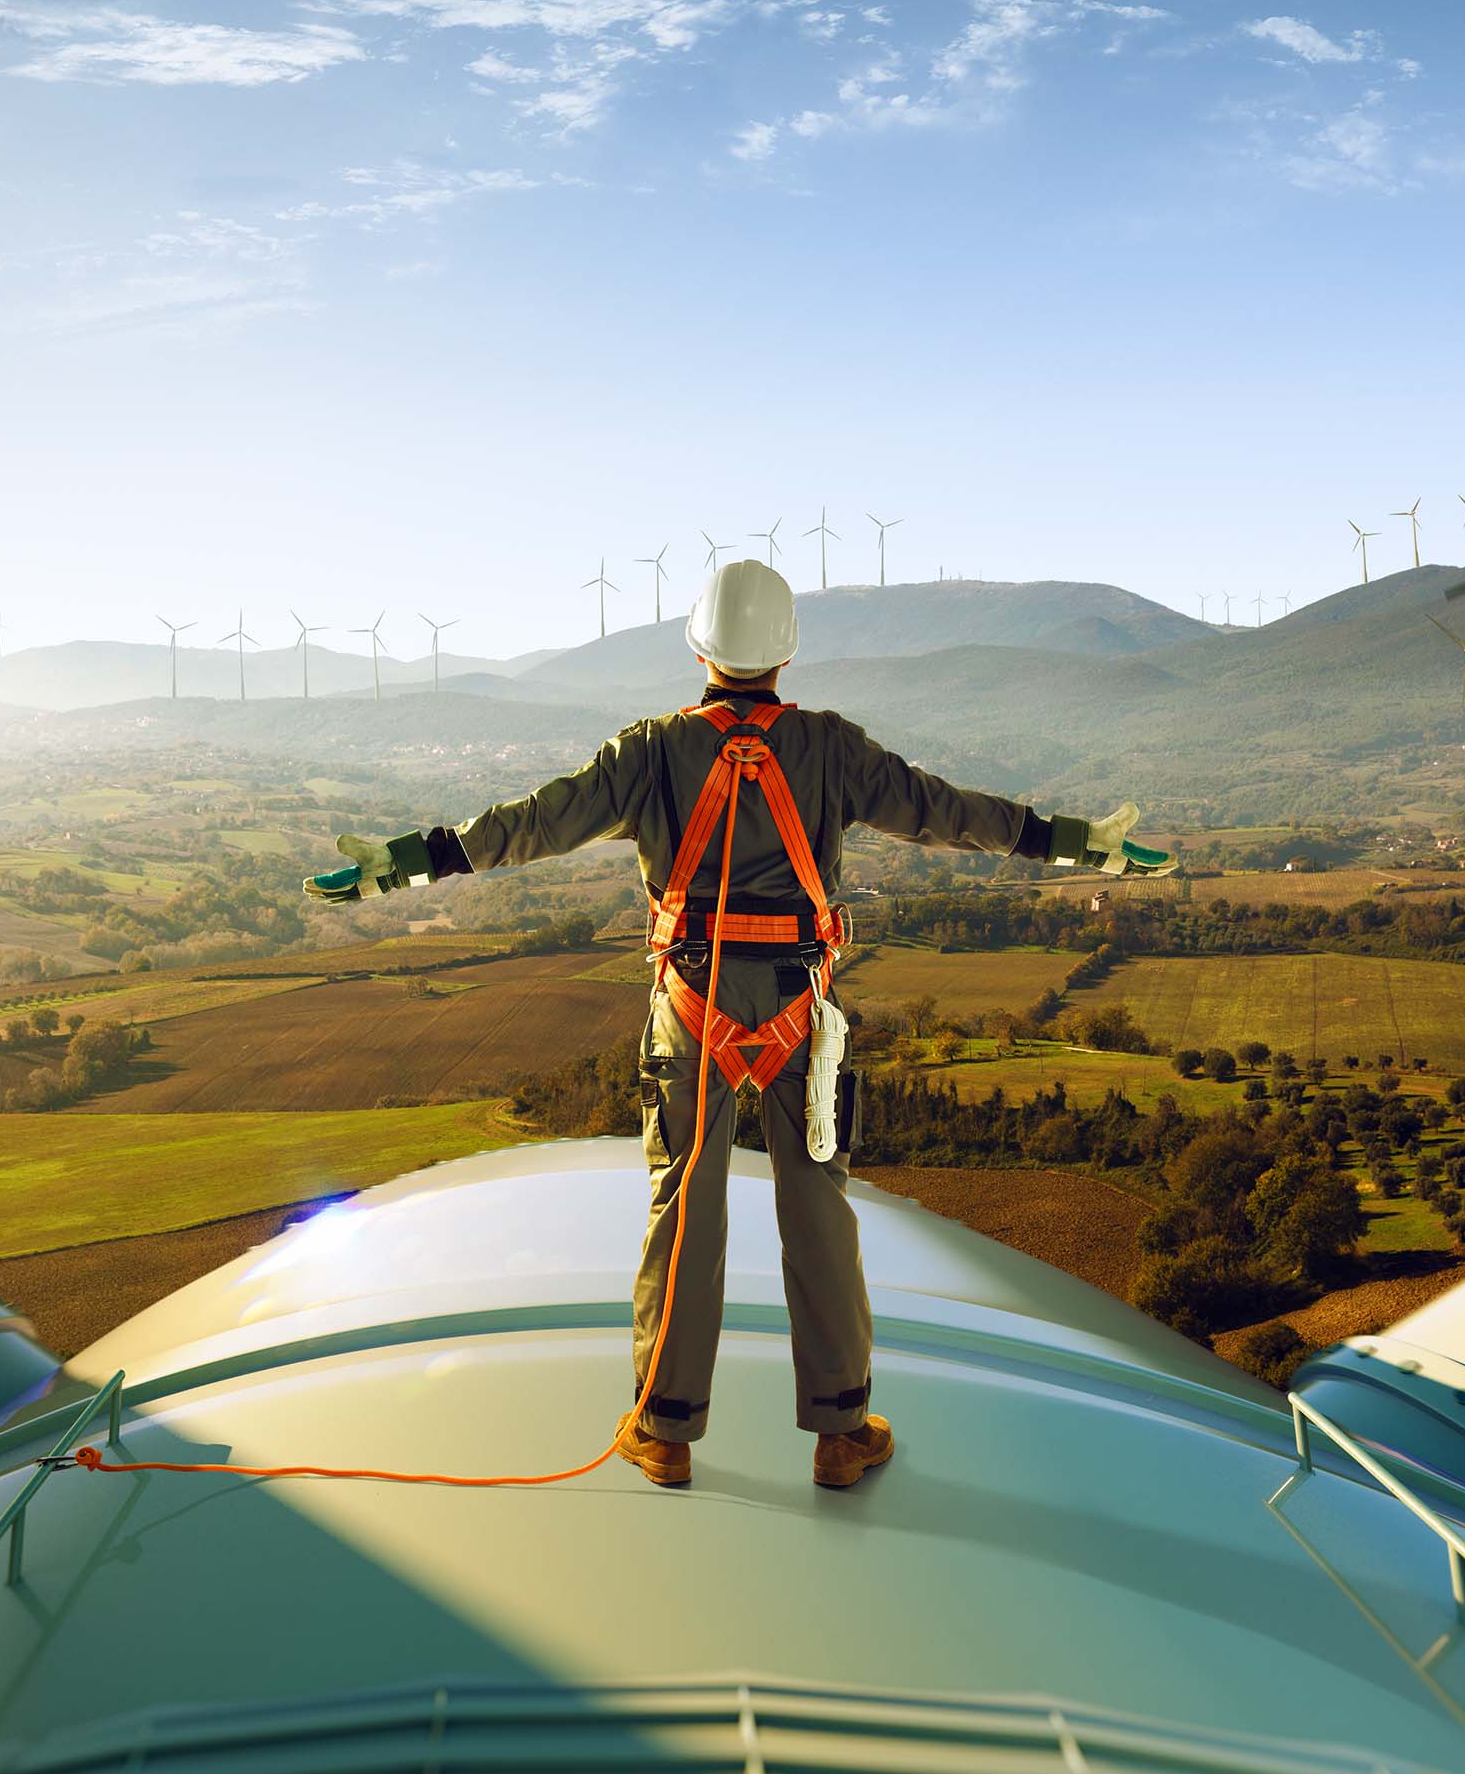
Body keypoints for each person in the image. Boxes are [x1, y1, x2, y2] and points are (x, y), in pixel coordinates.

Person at [308, 558, 1170, 1493]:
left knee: (686, 1208)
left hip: (689, 1006)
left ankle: (666, 1431)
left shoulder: (648, 752)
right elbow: (948, 814)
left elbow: (533, 823)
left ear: (697, 643)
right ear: (788, 653)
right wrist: (1082, 844)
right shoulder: (833, 749)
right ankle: (841, 1435)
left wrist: (410, 861)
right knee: (818, 1208)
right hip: (803, 1004)